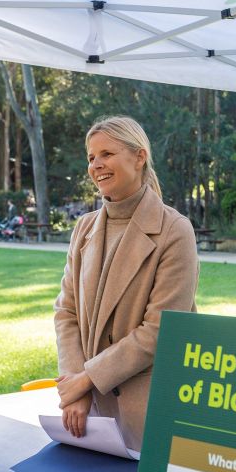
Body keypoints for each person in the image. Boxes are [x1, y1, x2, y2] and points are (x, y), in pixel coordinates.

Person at [54, 116, 199, 452]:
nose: (96, 165)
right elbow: (66, 312)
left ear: (139, 156)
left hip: (149, 414)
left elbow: (162, 329)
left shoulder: (175, 230)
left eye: (106, 153)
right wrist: (77, 389)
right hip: (88, 414)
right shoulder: (83, 228)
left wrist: (85, 381)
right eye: (91, 157)